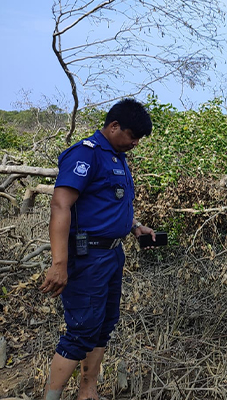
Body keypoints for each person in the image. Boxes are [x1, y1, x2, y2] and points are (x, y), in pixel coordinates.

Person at [39, 99, 156, 400]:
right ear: (114, 126)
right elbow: (60, 205)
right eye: (132, 136)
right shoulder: (85, 154)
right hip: (87, 257)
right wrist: (59, 263)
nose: (135, 143)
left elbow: (107, 204)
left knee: (103, 326)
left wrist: (134, 227)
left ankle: (87, 393)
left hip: (112, 255)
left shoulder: (117, 156)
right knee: (81, 332)